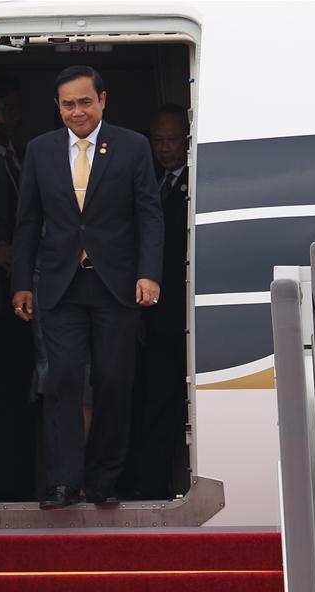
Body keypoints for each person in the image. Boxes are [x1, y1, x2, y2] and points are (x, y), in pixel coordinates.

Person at [10, 66, 164, 509]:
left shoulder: (132, 146)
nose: (77, 112)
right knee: (62, 381)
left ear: (102, 101)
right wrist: (22, 282)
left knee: (114, 382)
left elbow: (149, 215)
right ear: (57, 107)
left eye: (85, 102)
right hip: (59, 286)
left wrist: (148, 272)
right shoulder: (40, 151)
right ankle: (62, 483)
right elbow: (28, 223)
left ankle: (103, 482)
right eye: (67, 104)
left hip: (116, 285)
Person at [123, 104, 191, 499]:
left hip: (181, 314)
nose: (165, 148)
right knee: (152, 400)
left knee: (169, 401)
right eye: (158, 140)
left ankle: (160, 482)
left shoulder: (193, 187)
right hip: (153, 315)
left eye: (172, 140)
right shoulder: (153, 183)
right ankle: (149, 482)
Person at [0, 83, 37, 501]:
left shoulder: (13, 157)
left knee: (21, 392)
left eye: (5, 112)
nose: (1, 120)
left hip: (20, 293)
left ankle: (18, 482)